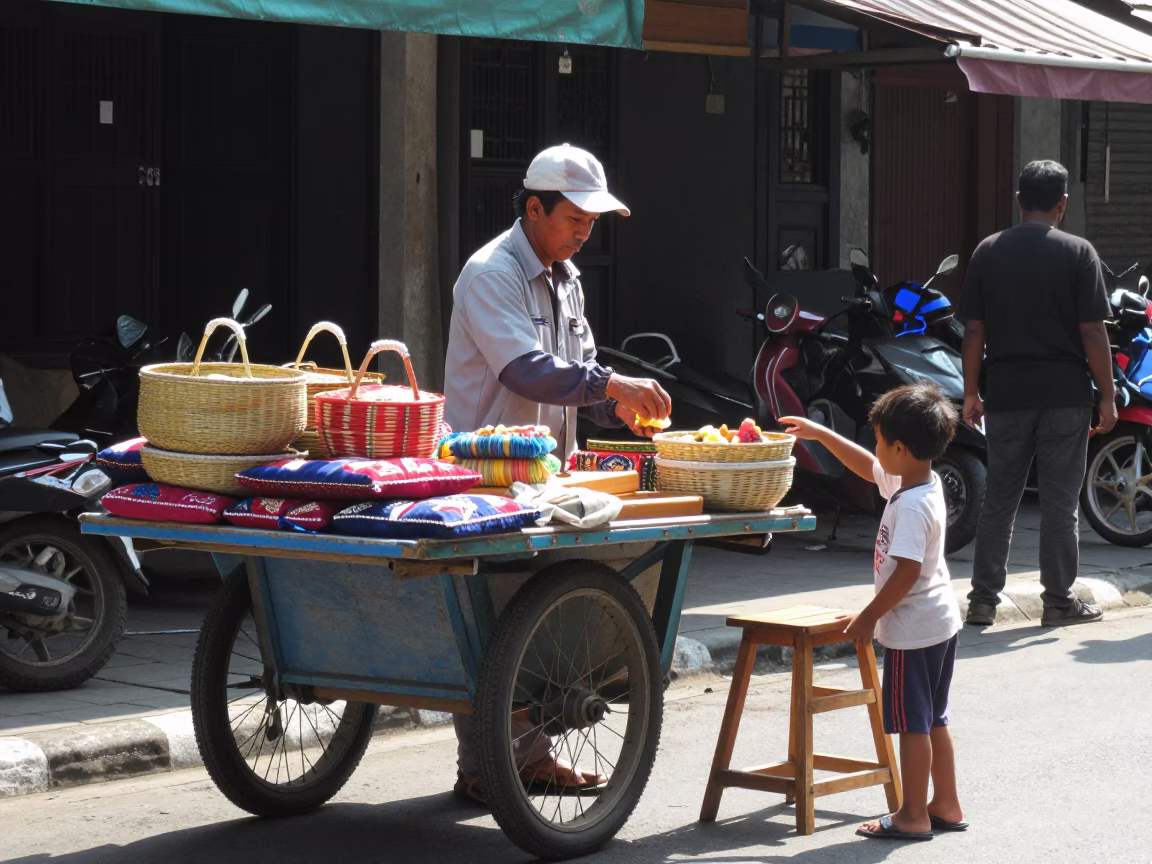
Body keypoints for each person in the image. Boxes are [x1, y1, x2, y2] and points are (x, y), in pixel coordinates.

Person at [442, 143, 672, 805]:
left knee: (533, 623)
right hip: (483, 478)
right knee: (494, 620)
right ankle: (490, 762)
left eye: (593, 220)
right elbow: (524, 369)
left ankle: (524, 758)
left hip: (547, 476)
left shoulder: (568, 278)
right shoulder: (491, 272)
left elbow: (580, 377)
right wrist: (612, 383)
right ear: (534, 207)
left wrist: (616, 404)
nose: (585, 230)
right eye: (575, 217)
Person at [782, 383, 966, 842]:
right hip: (940, 621)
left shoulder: (912, 505)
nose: (875, 448)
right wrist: (821, 435)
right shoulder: (920, 481)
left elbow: (904, 573)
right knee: (933, 718)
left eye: (880, 439)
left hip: (912, 628)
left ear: (900, 448)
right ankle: (944, 803)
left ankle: (912, 815)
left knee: (911, 725)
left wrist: (868, 616)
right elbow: (868, 466)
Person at [959, 160, 1116, 628]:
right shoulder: (1079, 252)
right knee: (1059, 504)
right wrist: (1107, 395)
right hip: (1065, 394)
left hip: (1006, 393)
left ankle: (983, 600)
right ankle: (1058, 601)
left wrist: (971, 391)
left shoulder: (988, 251)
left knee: (1000, 500)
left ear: (1018, 200)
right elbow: (1092, 331)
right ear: (1062, 205)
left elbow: (973, 329)